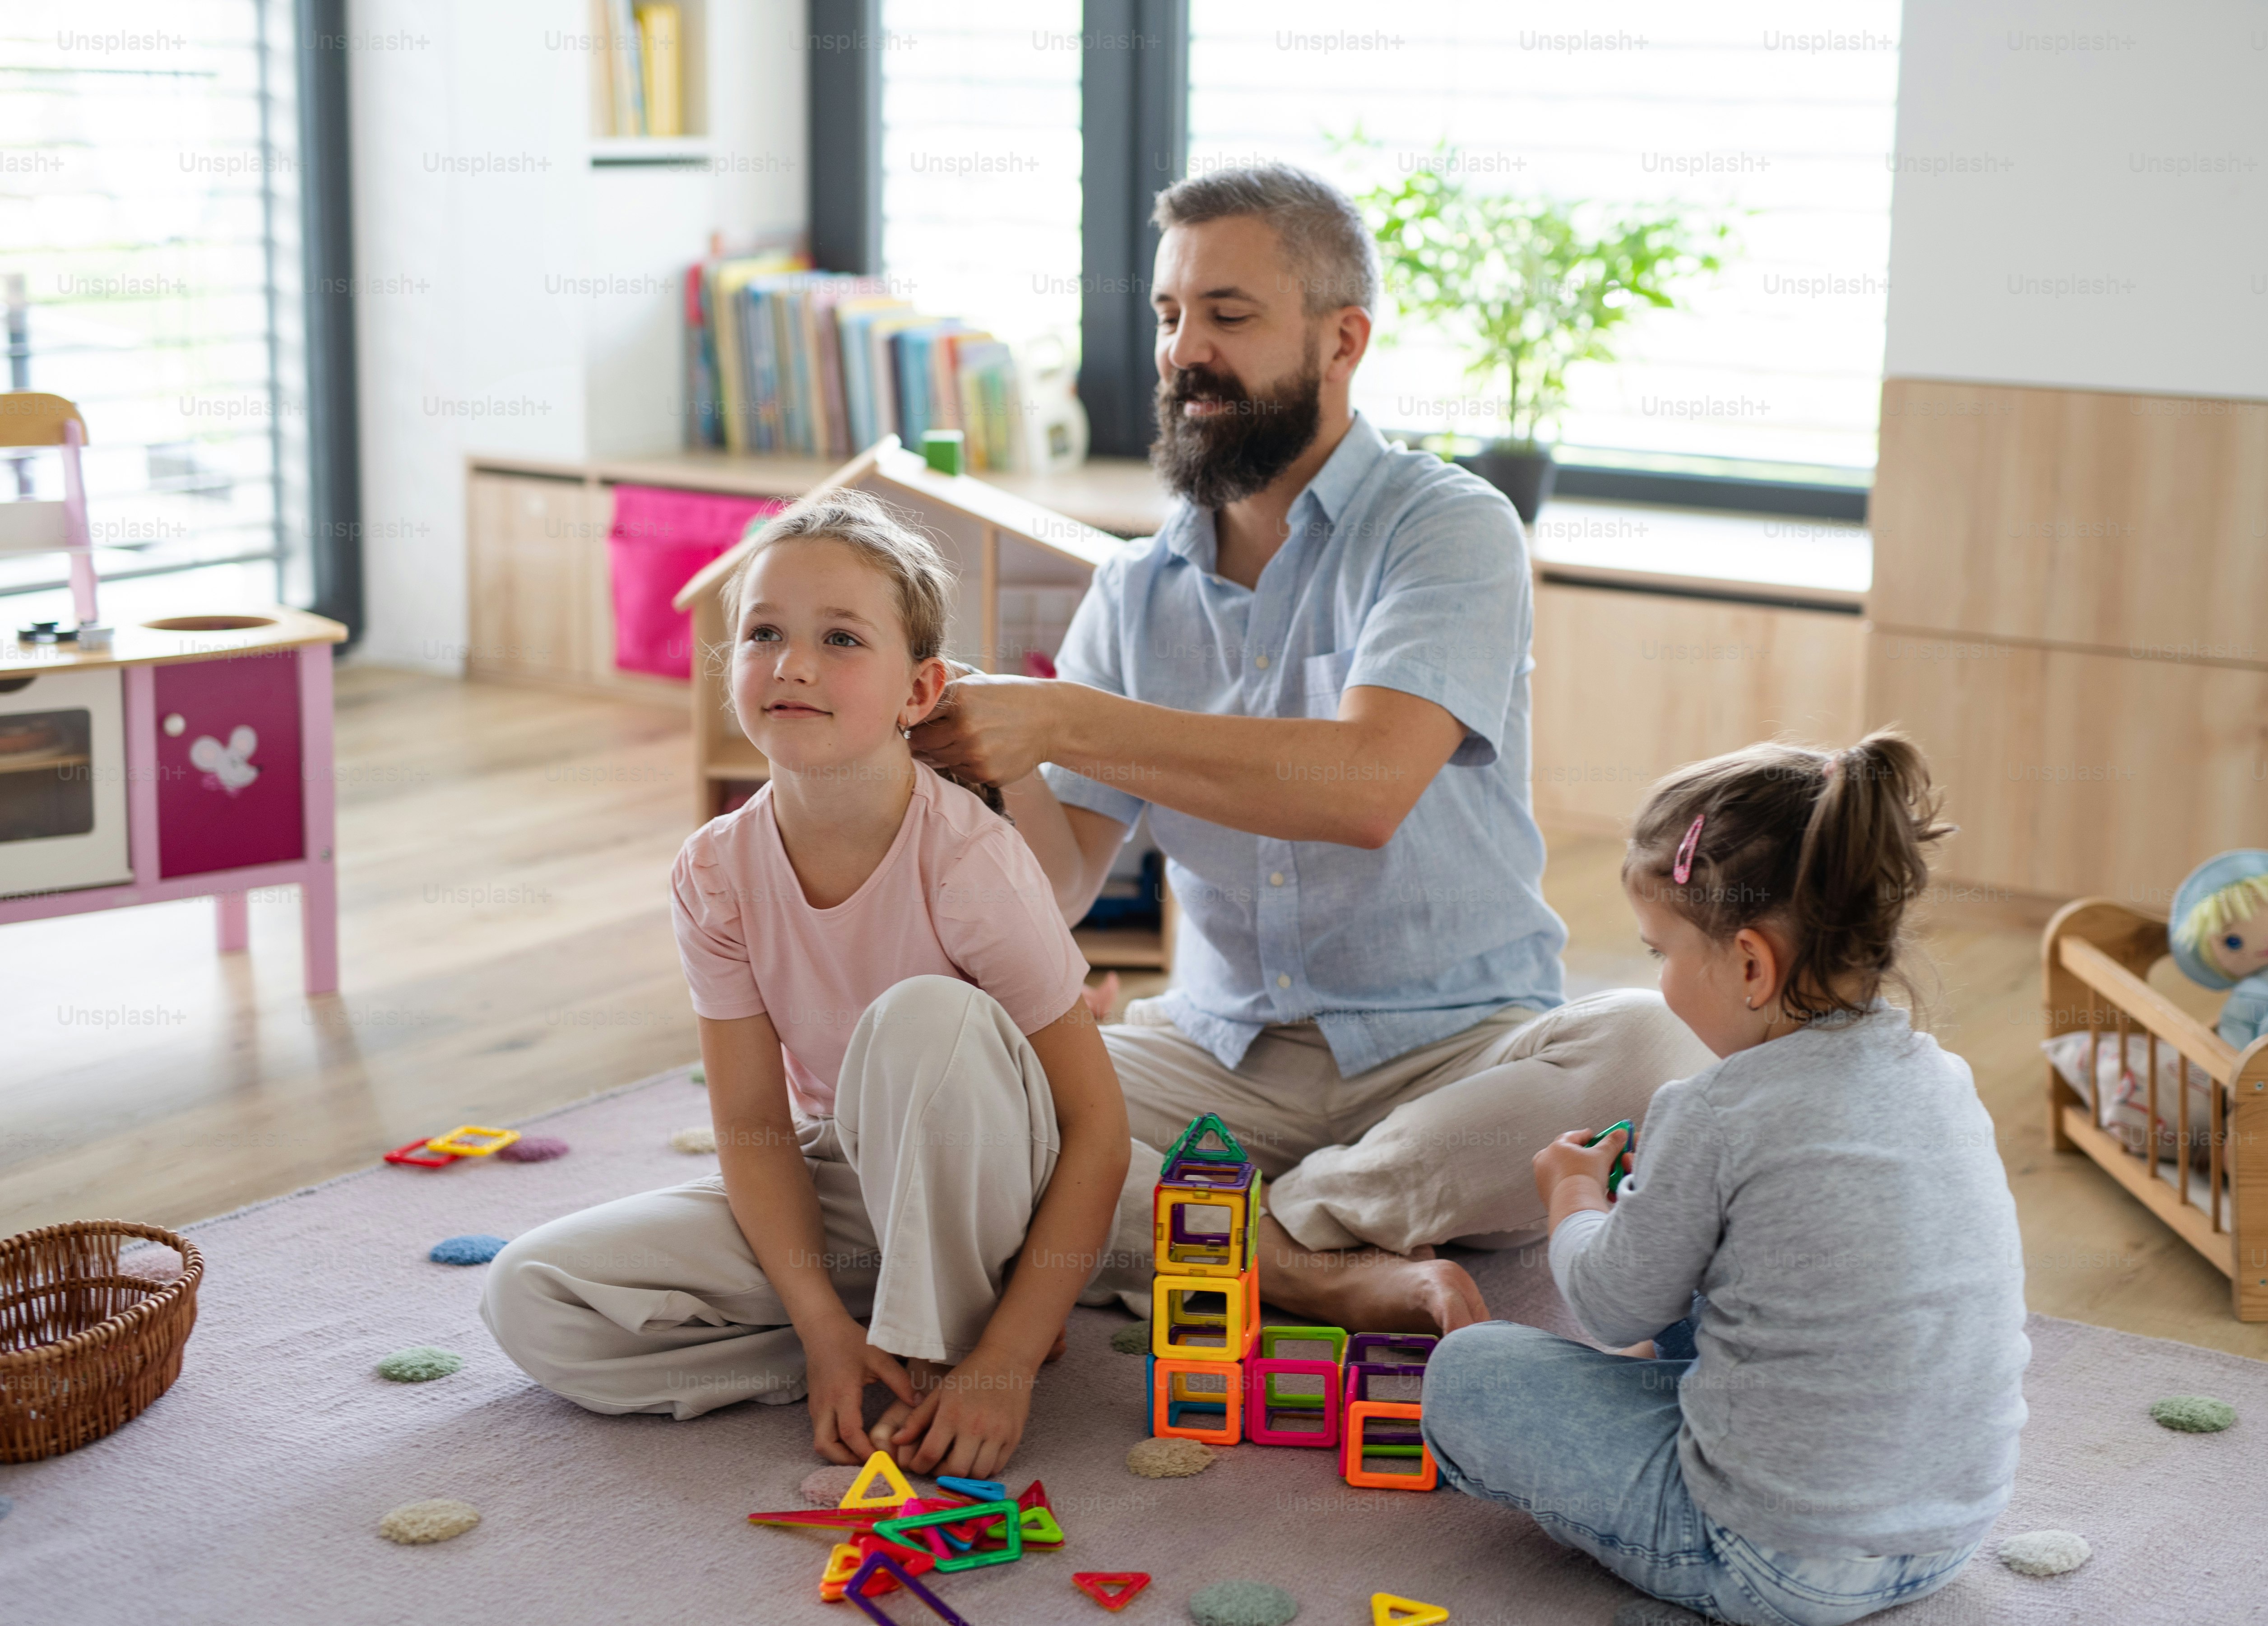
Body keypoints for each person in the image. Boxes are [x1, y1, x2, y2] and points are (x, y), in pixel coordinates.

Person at [910, 162, 1711, 1334]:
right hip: (1217, 1056)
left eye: (1228, 316)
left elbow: (1365, 785)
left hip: (1455, 1054)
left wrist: (1063, 719)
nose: (1186, 351)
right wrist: (982, 773)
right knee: (937, 1080)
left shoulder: (1449, 528)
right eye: (1171, 316)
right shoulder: (1133, 591)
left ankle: (1227, 1229)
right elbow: (1064, 879)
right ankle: (1313, 1259)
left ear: (1344, 342)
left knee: (1655, 1045)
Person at [479, 491, 1131, 1478]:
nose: (792, 663)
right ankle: (869, 1348)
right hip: (852, 1183)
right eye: (764, 633)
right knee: (533, 1293)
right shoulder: (714, 872)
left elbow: (1097, 1128)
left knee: (922, 1019)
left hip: (1000, 1185)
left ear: (920, 692)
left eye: (839, 638)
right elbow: (751, 1121)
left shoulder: (971, 861)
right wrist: (820, 1323)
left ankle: (974, 1343)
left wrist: (1006, 1364)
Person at [1418, 732, 2031, 1626]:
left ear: (1749, 963)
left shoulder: (1715, 1111)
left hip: (1775, 1561)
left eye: (1661, 951)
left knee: (1468, 1371)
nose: (1657, 978)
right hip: (1951, 1528)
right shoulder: (1942, 1075)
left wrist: (1572, 1195)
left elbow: (1610, 1305)